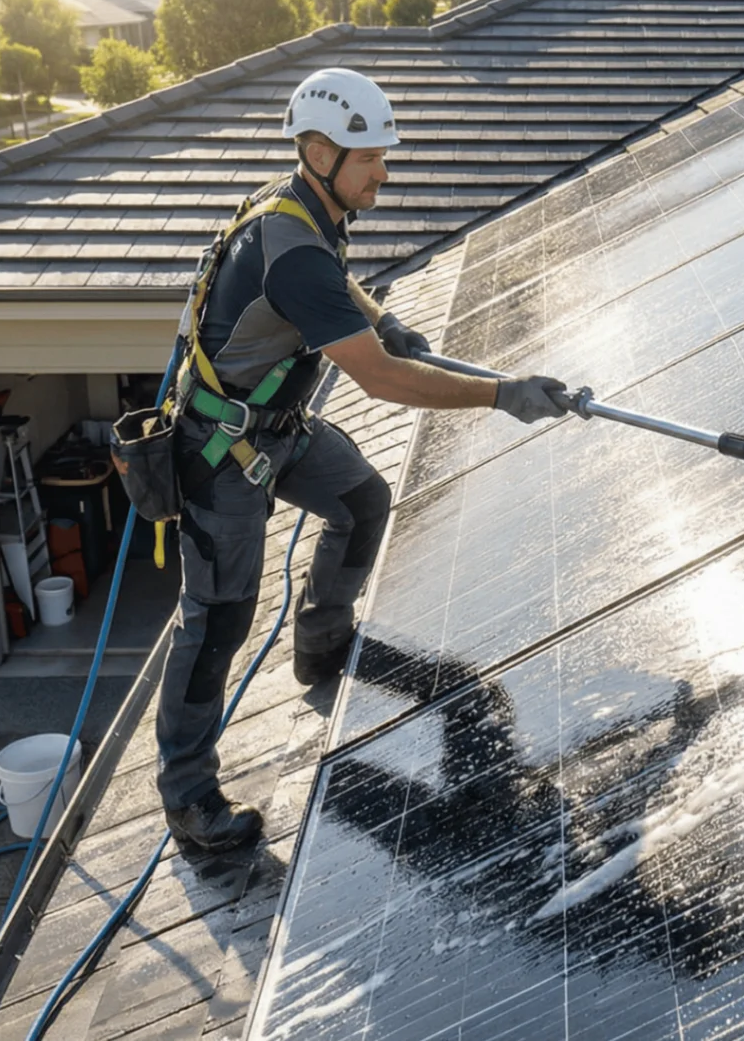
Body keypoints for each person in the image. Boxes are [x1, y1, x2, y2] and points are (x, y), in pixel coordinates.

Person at [156, 66, 568, 852]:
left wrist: (385, 320)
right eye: (370, 156)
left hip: (273, 427)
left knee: (360, 500)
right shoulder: (291, 244)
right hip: (220, 447)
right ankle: (186, 796)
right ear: (318, 149)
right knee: (217, 620)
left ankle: (320, 636)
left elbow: (337, 283)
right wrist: (499, 394)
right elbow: (377, 382)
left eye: (383, 154)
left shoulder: (308, 209)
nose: (385, 169)